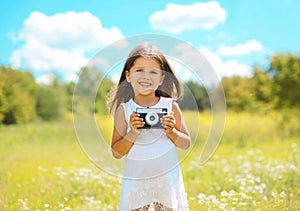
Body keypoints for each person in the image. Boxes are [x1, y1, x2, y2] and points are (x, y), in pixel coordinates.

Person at [108, 43, 191, 211]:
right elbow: (116, 152)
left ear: (161, 79)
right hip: (137, 179)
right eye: (139, 70)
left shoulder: (170, 106)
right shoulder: (124, 110)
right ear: (128, 75)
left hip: (166, 179)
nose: (146, 76)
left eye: (153, 72)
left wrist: (171, 131)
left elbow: (186, 143)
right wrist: (132, 133)